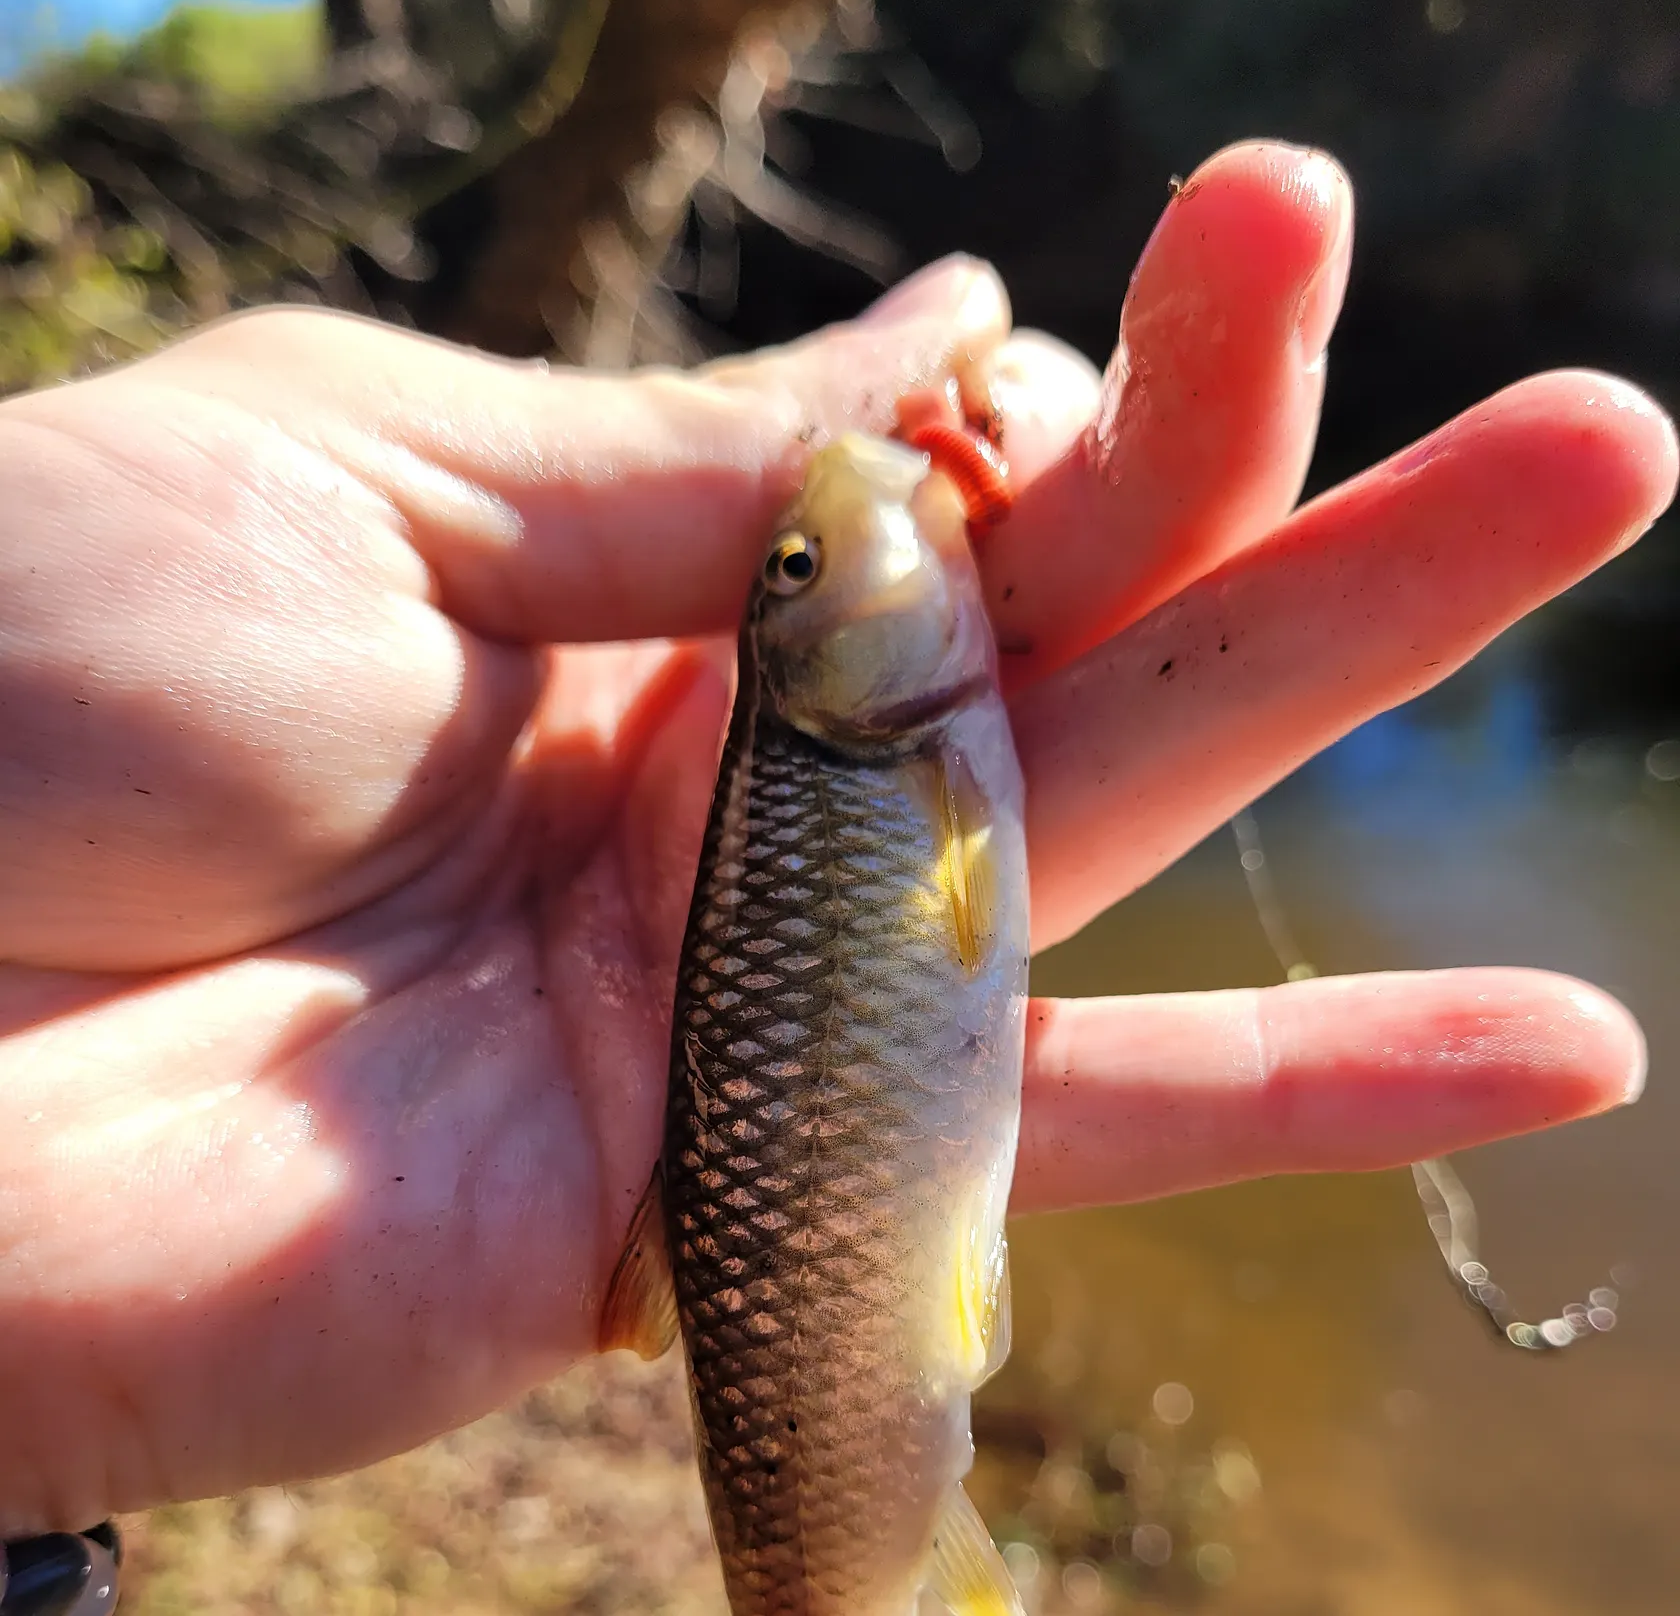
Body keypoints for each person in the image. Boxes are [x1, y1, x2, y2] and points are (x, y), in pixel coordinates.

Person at [0, 141, 1671, 1556]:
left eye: (788, 575)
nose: (824, 548)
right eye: (798, 570)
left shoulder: (880, 754)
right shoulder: (875, 758)